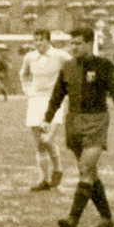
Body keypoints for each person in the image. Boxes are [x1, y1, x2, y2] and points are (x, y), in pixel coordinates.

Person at [43, 27, 114, 227]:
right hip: (74, 122)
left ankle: (72, 219)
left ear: (89, 43)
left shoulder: (105, 66)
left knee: (86, 168)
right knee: (90, 172)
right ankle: (106, 218)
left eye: (78, 43)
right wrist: (47, 118)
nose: (74, 47)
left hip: (96, 121)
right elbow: (57, 95)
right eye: (72, 43)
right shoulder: (68, 67)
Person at [19, 30, 72, 191]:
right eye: (35, 41)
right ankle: (43, 179)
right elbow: (23, 74)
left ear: (48, 40)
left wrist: (68, 91)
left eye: (41, 40)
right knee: (40, 144)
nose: (38, 44)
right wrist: (27, 90)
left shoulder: (60, 56)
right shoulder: (30, 57)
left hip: (54, 101)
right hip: (36, 101)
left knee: (47, 139)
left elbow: (75, 69)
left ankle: (58, 168)